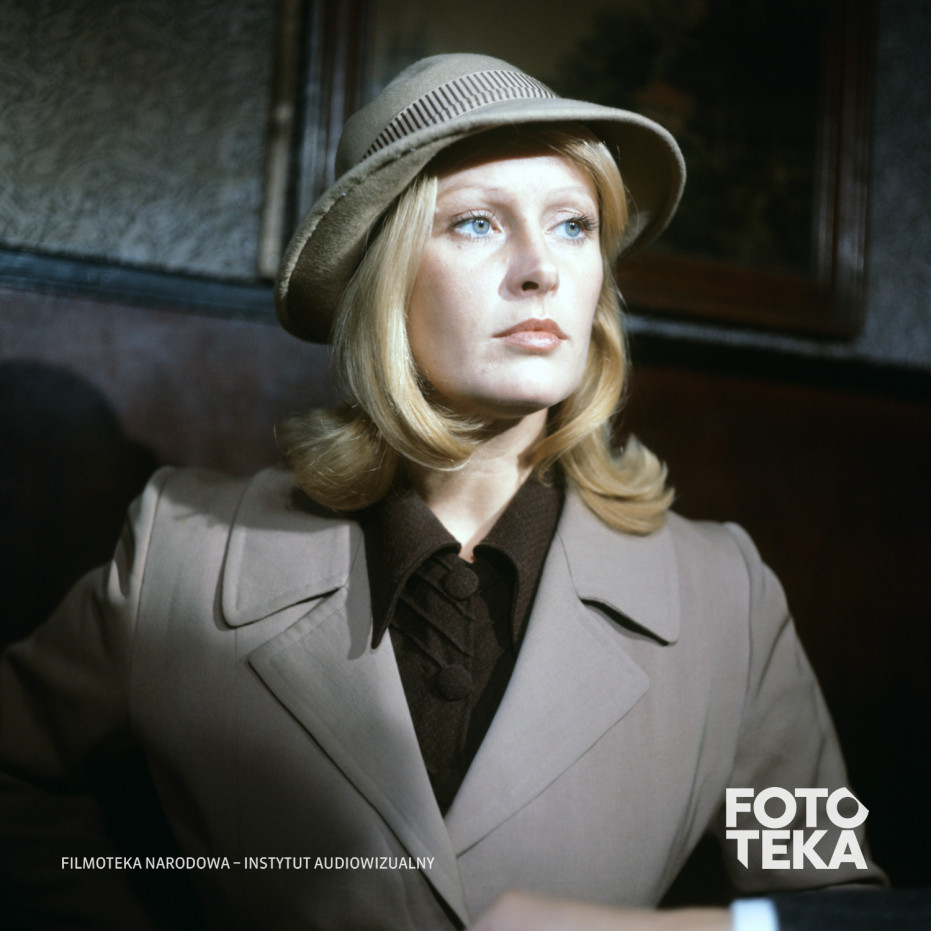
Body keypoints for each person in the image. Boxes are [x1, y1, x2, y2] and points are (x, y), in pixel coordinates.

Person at [0, 54, 886, 930]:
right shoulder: (183, 553)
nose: (540, 269)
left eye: (573, 225)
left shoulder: (726, 596)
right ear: (380, 280)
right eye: (476, 223)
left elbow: (828, 901)